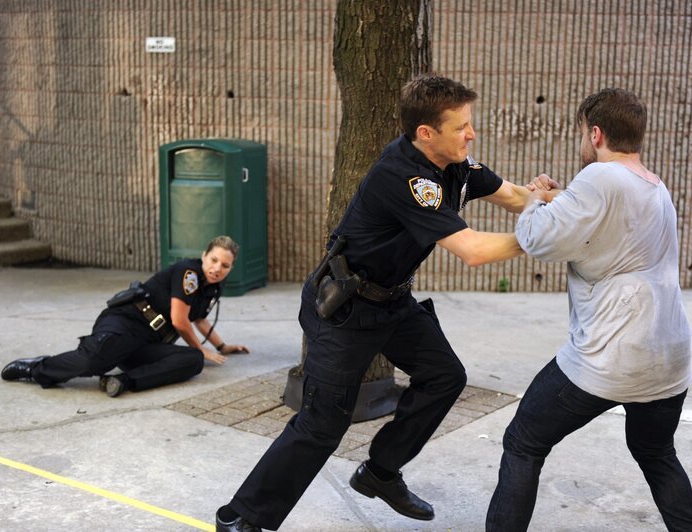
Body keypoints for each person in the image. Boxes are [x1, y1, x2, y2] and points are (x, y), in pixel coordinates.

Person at [215, 74, 557, 532]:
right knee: (322, 425)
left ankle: (380, 472)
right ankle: (240, 517)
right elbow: (473, 251)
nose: (471, 134)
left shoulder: (454, 164)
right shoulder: (404, 177)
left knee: (443, 376)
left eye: (469, 124)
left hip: (392, 302)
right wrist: (544, 235)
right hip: (345, 309)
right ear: (426, 133)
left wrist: (571, 203)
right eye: (461, 127)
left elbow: (516, 196)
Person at [485, 89, 692, 531]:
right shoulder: (654, 186)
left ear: (596, 134)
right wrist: (559, 197)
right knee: (657, 453)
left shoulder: (600, 177)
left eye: (583, 132)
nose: (582, 141)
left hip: (610, 357)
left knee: (523, 442)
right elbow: (602, 220)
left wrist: (534, 199)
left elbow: (538, 239)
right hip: (669, 357)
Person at [0, 235, 249, 397]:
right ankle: (36, 368)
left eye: (225, 265)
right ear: (204, 255)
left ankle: (122, 381)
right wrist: (202, 348)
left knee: (192, 361)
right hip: (127, 321)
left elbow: (199, 319)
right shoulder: (189, 273)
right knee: (92, 361)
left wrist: (221, 346)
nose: (217, 268)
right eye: (214, 260)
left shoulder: (212, 286)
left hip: (147, 342)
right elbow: (179, 320)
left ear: (231, 268)